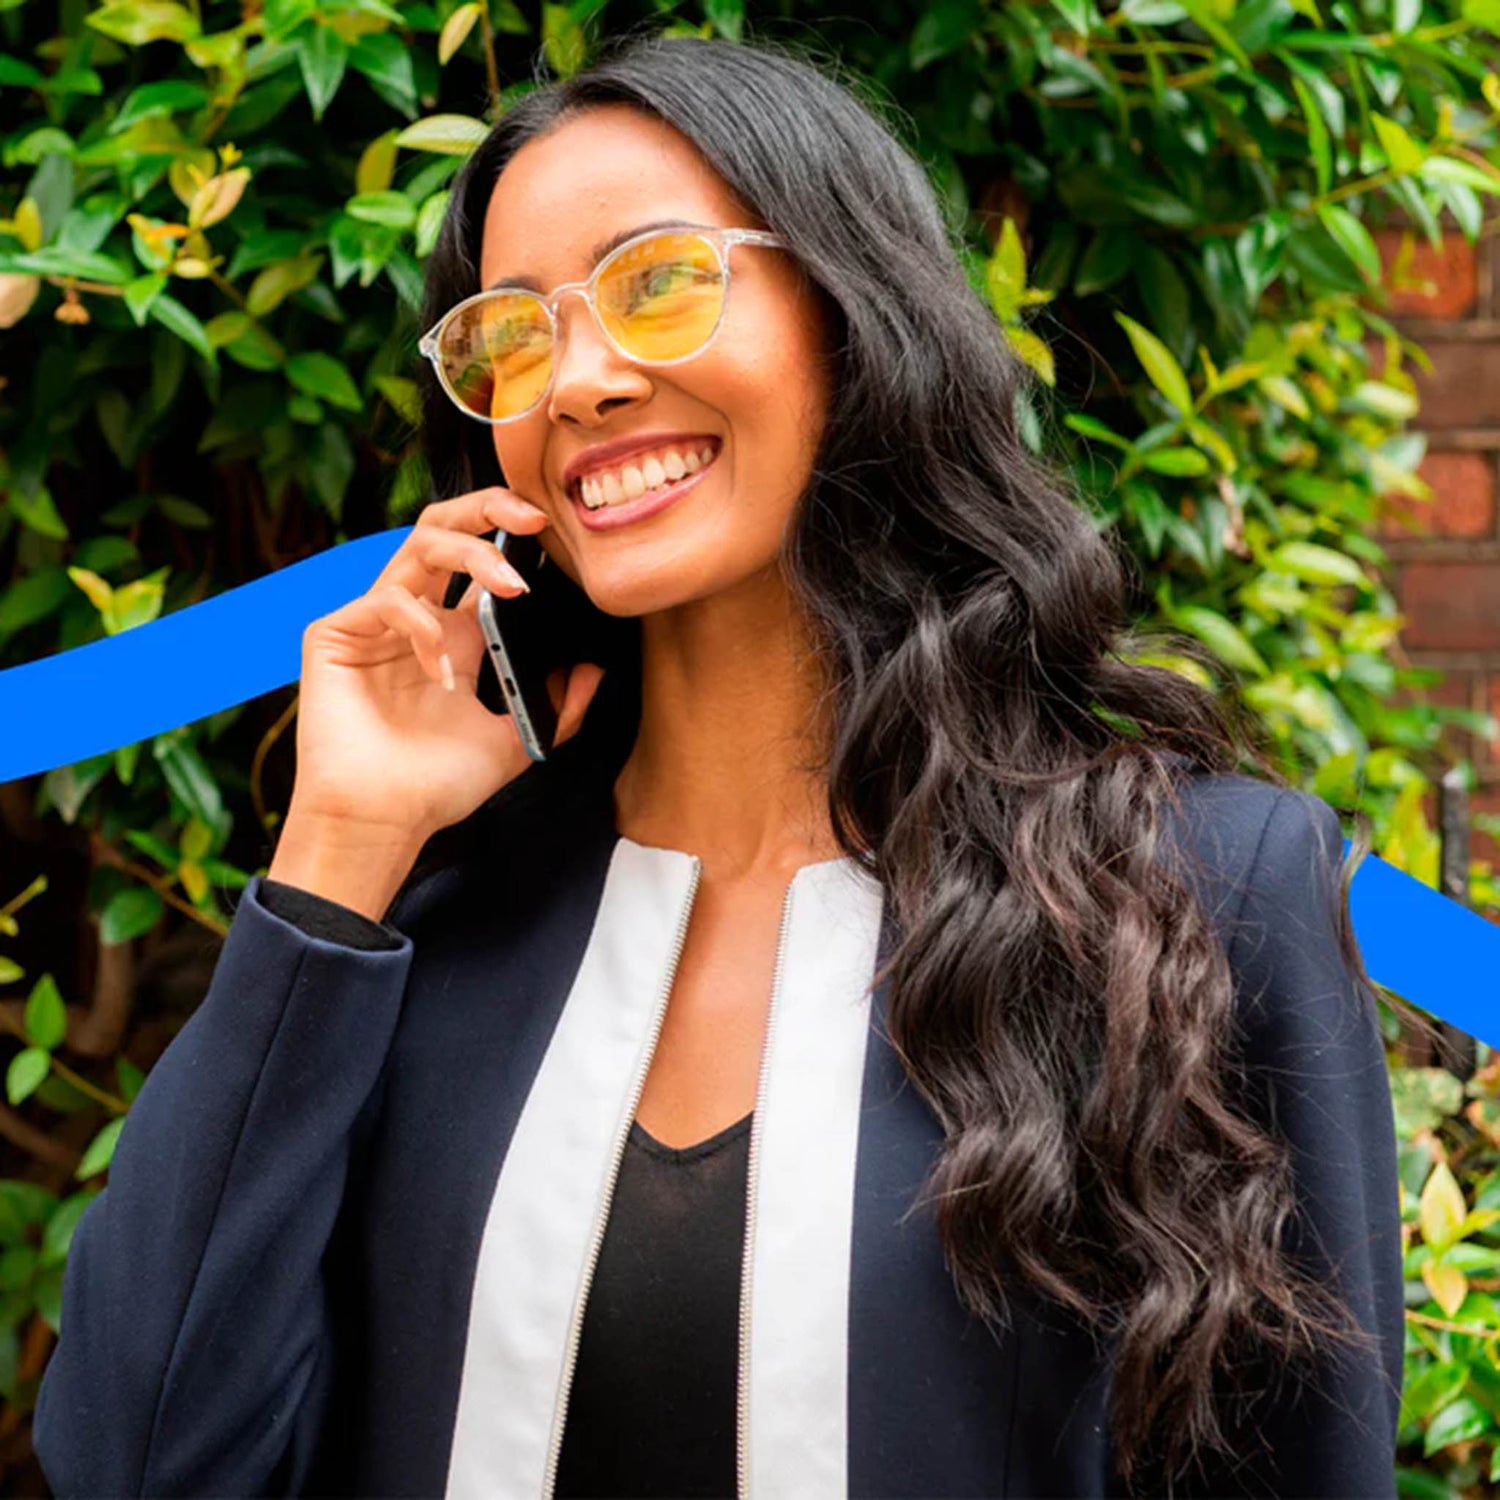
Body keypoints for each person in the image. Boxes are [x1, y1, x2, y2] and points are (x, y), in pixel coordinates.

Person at [33, 33, 1402, 1500]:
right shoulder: (426, 925)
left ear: (846, 305)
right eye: (513, 332)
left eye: (659, 282)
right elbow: (133, 1457)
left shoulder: (1195, 896)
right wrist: (338, 850)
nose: (581, 381)